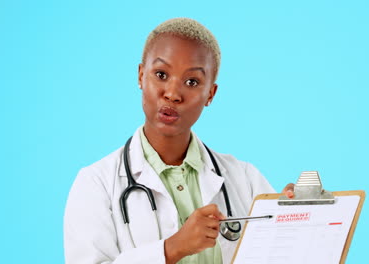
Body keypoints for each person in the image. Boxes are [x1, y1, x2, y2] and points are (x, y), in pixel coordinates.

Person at [64, 18, 294, 264]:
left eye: (192, 82)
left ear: (210, 94)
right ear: (141, 76)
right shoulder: (96, 183)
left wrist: (297, 223)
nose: (173, 94)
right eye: (161, 74)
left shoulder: (245, 179)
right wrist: (172, 249)